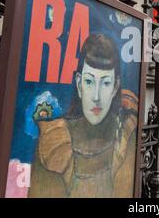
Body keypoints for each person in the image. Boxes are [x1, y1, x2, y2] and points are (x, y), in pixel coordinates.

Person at [29, 34, 139, 198]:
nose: (96, 96)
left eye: (105, 83)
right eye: (89, 82)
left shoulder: (126, 133)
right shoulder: (53, 141)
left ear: (115, 87)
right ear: (79, 84)